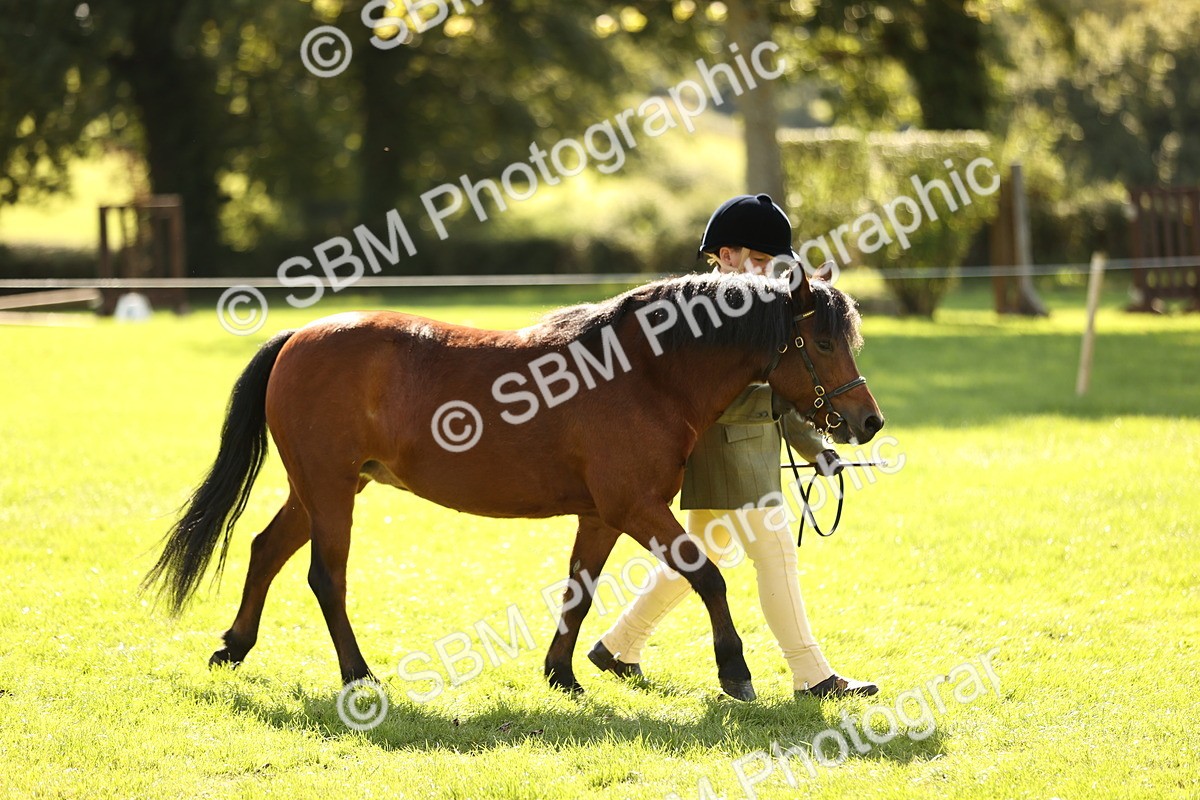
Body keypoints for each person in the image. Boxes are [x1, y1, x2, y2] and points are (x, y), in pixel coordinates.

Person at [587, 194, 878, 699]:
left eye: (773, 262)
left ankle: (619, 646)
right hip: (727, 454)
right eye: (760, 261)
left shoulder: (760, 311)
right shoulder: (711, 316)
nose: (768, 272)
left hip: (746, 455)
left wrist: (817, 450)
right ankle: (813, 677)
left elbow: (789, 387)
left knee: (701, 553)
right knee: (776, 554)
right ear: (725, 256)